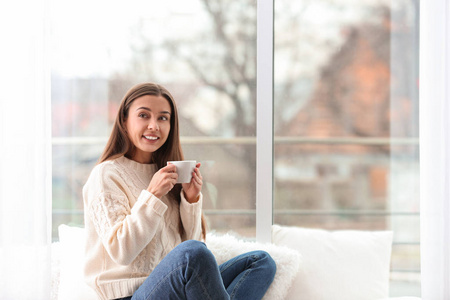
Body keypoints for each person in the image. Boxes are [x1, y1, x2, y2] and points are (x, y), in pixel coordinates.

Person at [83, 82, 276, 300]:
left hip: (175, 289)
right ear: (124, 121)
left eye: (163, 118)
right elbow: (122, 252)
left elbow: (194, 253)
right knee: (192, 253)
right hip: (130, 296)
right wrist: (152, 195)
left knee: (260, 262)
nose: (154, 125)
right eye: (144, 115)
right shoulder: (106, 174)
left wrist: (190, 200)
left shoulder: (168, 173)